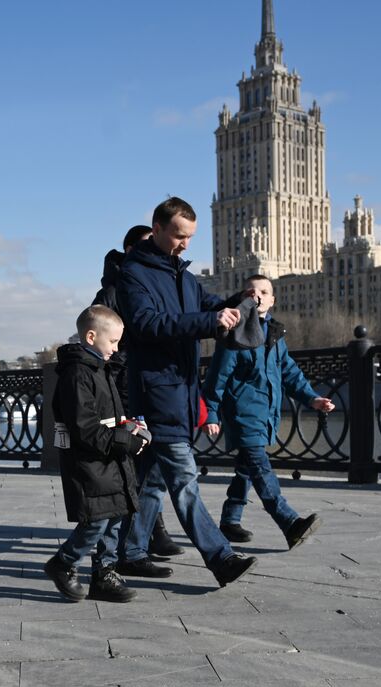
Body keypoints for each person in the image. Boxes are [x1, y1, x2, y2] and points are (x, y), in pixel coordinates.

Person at [115, 196, 256, 588]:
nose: (185, 244)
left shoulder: (184, 275)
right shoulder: (134, 273)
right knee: (184, 479)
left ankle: (129, 552)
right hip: (157, 392)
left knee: (151, 480)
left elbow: (209, 304)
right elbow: (146, 324)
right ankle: (220, 557)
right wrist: (210, 321)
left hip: (181, 391)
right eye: (179, 235)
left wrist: (239, 303)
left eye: (190, 237)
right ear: (157, 229)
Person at [203, 274, 335, 547]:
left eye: (263, 291)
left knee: (246, 468)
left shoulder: (274, 334)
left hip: (267, 413)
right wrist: (212, 412)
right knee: (260, 468)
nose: (257, 296)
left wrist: (312, 399)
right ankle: (289, 523)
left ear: (272, 300)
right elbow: (218, 376)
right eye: (250, 292)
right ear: (243, 300)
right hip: (242, 412)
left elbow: (290, 373)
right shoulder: (234, 334)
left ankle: (229, 521)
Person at [43, 305, 152, 603]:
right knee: (95, 522)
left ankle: (104, 574)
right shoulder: (78, 373)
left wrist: (129, 428)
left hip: (109, 462)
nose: (116, 350)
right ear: (91, 337)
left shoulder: (99, 368)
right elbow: (85, 428)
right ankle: (63, 563)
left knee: (114, 517)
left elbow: (108, 416)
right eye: (113, 342)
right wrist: (125, 442)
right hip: (90, 465)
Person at [95, 224, 185, 560]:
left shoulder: (155, 285)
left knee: (151, 465)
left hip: (155, 386)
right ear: (132, 250)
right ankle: (133, 540)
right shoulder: (113, 293)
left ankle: (142, 534)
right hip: (126, 389)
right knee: (134, 468)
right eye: (149, 245)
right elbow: (102, 346)